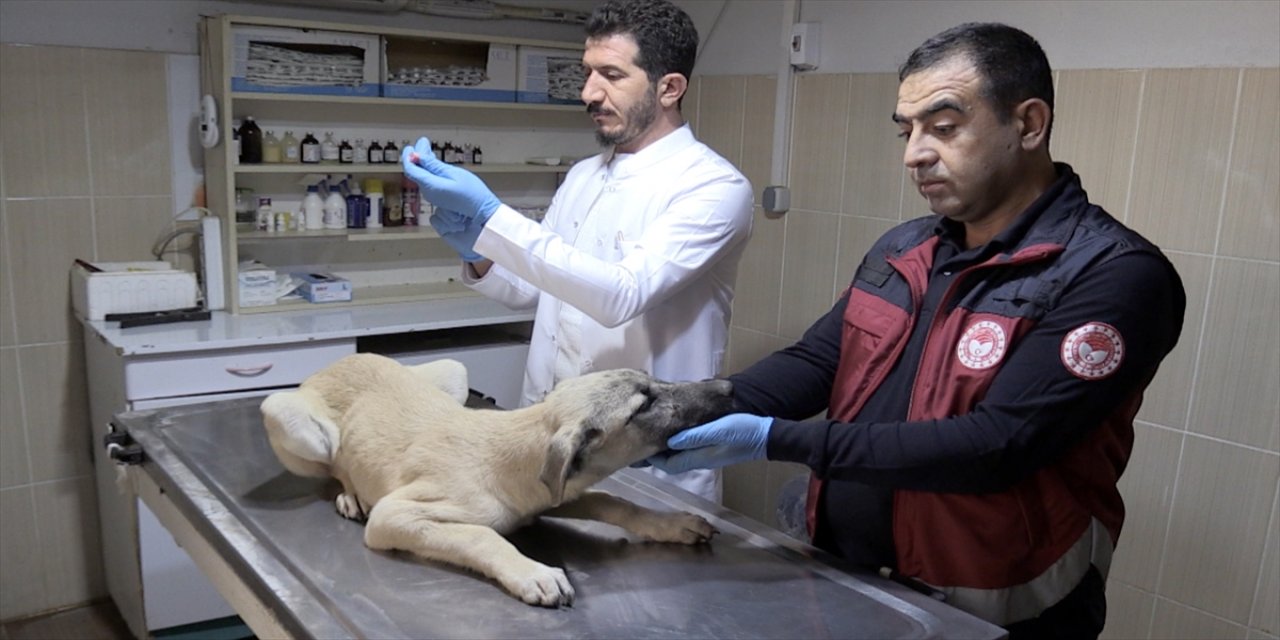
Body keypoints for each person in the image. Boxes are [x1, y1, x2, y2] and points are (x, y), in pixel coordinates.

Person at [646, 22, 1186, 638]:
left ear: (1029, 125)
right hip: (852, 577)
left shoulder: (1111, 275)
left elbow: (996, 446)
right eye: (908, 130)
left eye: (944, 126)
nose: (914, 153)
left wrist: (777, 440)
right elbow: (818, 363)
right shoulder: (904, 249)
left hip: (1000, 605)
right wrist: (684, 406)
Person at [400, 0, 754, 503]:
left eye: (611, 75)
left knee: (643, 577)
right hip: (551, 439)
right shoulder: (585, 175)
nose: (589, 92)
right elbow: (532, 289)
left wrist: (493, 217)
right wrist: (478, 247)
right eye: (587, 73)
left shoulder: (714, 187)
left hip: (646, 457)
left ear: (669, 87)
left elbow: (619, 296)